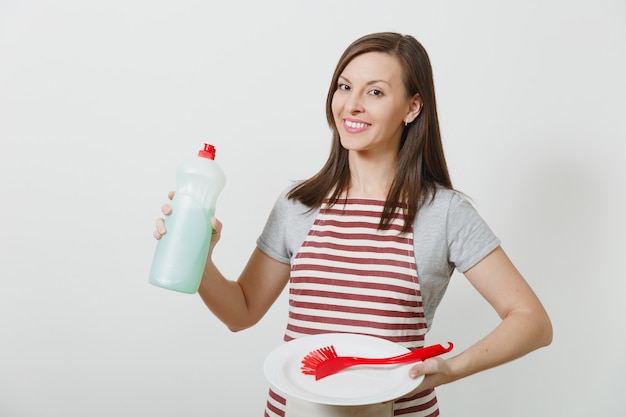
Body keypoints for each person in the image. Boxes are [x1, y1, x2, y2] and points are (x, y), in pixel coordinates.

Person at [153, 32, 552, 417]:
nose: (352, 105)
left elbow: (532, 320)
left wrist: (451, 369)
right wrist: (197, 257)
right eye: (344, 87)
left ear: (412, 108)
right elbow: (241, 314)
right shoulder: (298, 205)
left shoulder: (442, 213)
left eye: (375, 92)